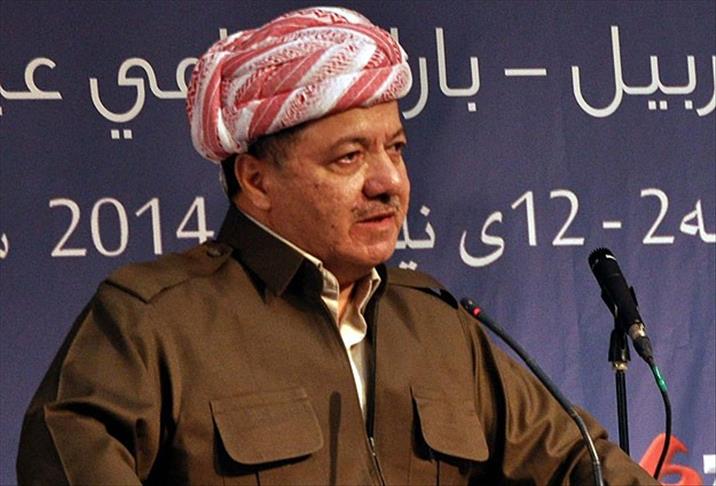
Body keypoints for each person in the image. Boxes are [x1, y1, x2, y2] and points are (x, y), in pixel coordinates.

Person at [17, 7, 657, 485]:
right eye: (350, 157)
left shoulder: (440, 324)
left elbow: (576, 461)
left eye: (395, 150)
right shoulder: (151, 321)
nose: (388, 182)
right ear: (256, 180)